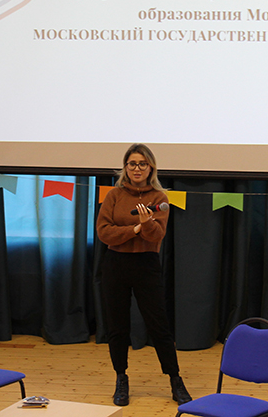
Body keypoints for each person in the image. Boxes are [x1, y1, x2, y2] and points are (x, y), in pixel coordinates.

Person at [96, 143, 192, 406]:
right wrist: (136, 229)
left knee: (159, 326)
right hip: (115, 264)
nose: (137, 168)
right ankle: (121, 378)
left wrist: (146, 224)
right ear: (125, 167)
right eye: (132, 164)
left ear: (151, 168)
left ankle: (175, 379)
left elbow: (156, 235)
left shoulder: (160, 198)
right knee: (117, 327)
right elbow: (104, 232)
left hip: (146, 265)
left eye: (142, 164)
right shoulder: (114, 195)